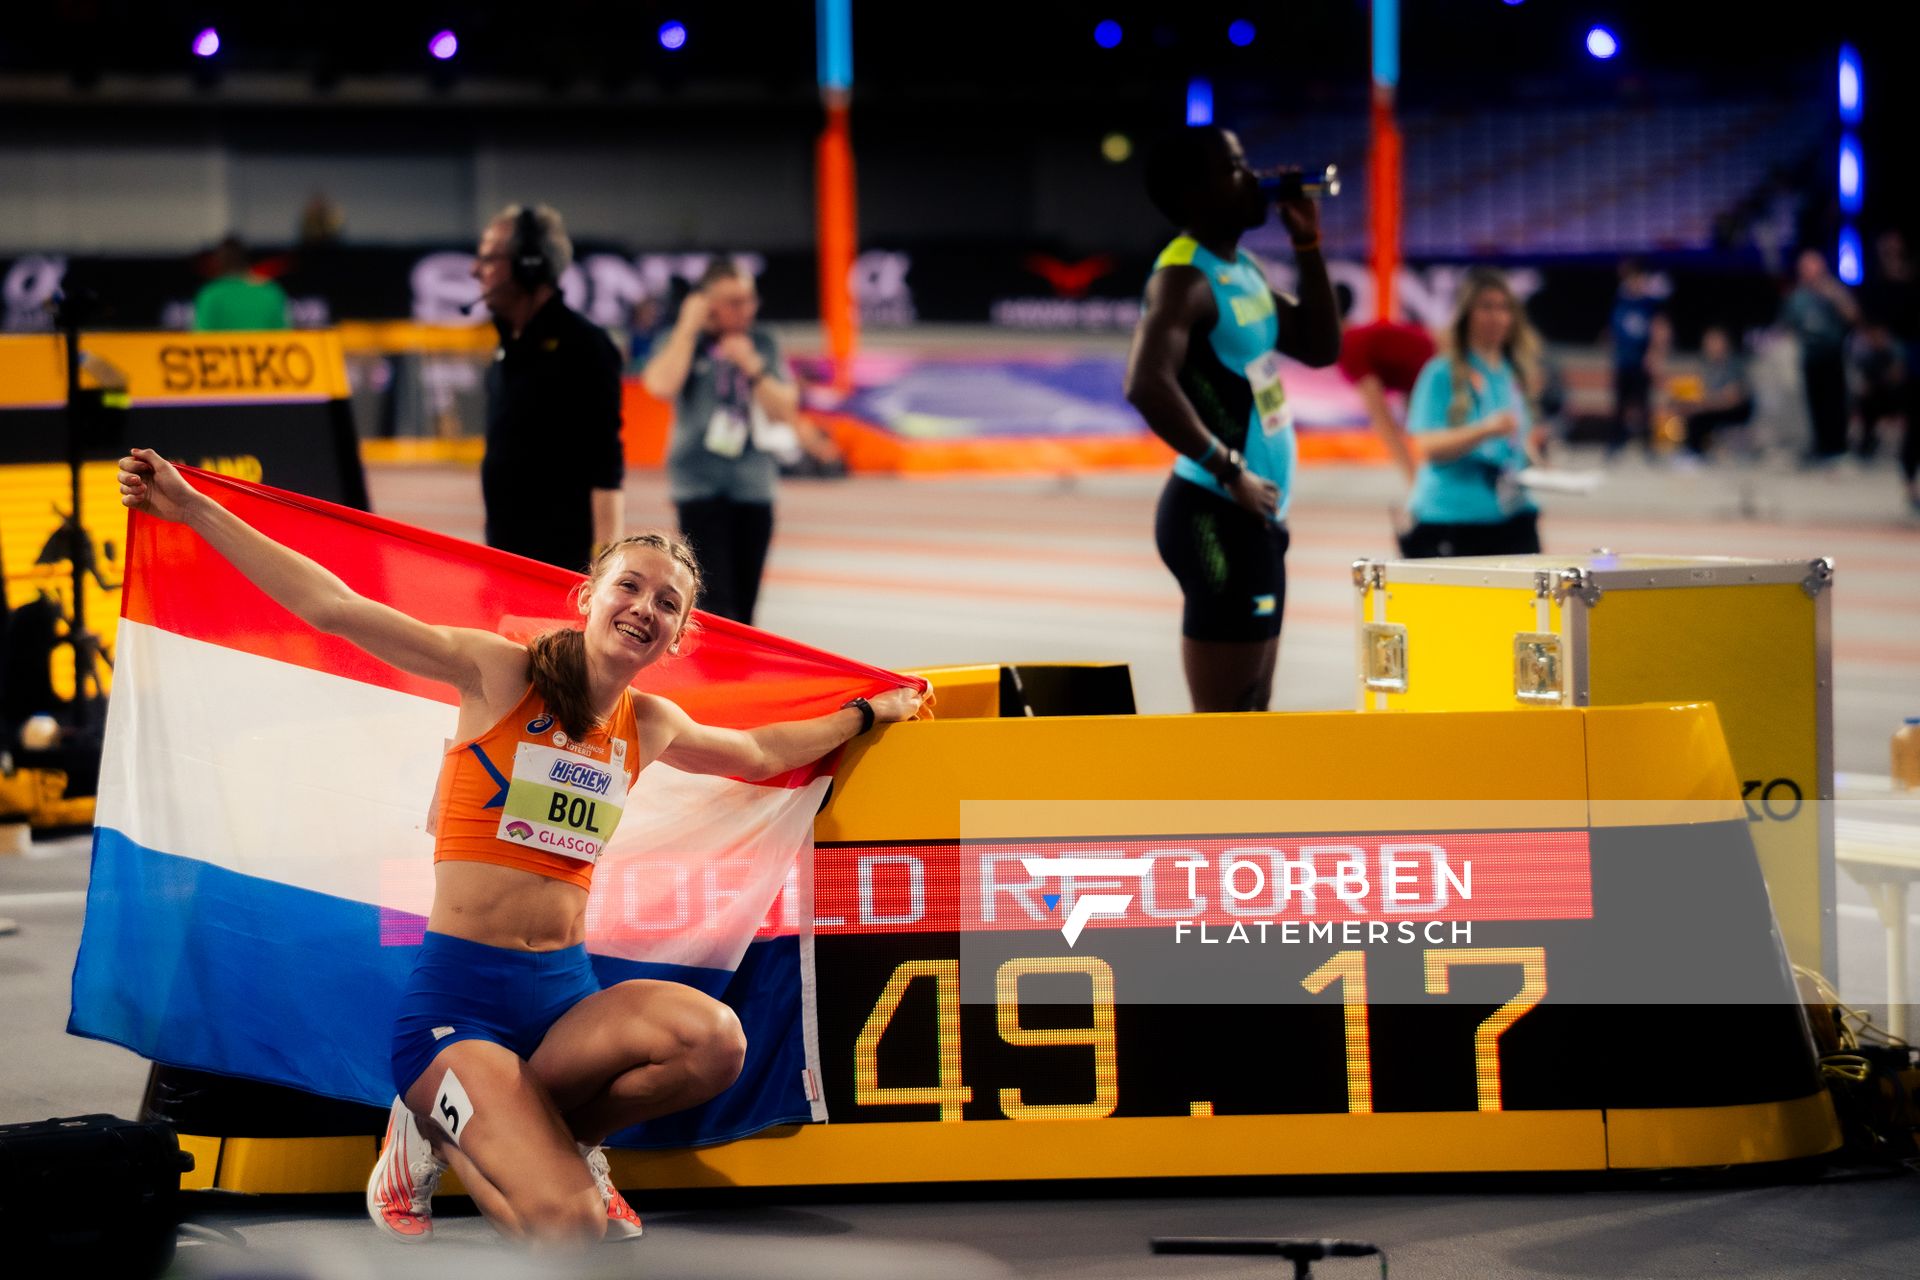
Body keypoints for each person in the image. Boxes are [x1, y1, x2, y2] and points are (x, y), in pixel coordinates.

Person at [116, 446, 925, 1246]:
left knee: (716, 1043)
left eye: (668, 603)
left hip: (563, 1004)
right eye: (631, 586)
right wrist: (188, 509)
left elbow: (759, 754)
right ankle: (449, 1124)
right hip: (457, 1010)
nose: (646, 607)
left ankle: (525, 1138)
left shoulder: (649, 724)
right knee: (569, 1225)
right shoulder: (498, 673)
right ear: (588, 596)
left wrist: (867, 712)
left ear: (680, 636)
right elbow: (333, 607)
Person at [1123, 126, 1340, 714]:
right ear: (1195, 193)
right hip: (1214, 517)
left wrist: (1307, 246)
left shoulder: (1242, 269)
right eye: (1236, 167)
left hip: (1257, 516)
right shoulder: (1183, 278)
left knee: (1253, 710)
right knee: (1225, 722)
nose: (1254, 178)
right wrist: (1229, 470)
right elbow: (1144, 383)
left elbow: (1321, 347)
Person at [641, 259, 803, 626]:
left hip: (754, 486)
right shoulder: (683, 340)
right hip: (698, 485)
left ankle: (740, 679)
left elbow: (784, 409)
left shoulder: (763, 341)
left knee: (745, 608)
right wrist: (687, 326)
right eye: (733, 301)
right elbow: (661, 385)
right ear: (707, 302)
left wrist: (752, 366)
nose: (745, 309)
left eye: (749, 299)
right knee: (715, 606)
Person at [472, 204, 625, 573]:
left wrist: (606, 568)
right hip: (504, 554)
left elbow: (606, 465)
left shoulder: (585, 347)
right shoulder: (507, 342)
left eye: (490, 259)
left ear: (529, 267)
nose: (476, 271)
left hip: (561, 567)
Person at [1399, 268, 1547, 558]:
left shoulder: (1512, 373)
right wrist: (1485, 430)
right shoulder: (1441, 372)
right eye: (1486, 307)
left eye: (1504, 308)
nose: (1496, 317)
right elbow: (1427, 446)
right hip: (1451, 518)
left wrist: (1531, 455)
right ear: (1467, 315)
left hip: (1512, 516)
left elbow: (1516, 439)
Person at [1780, 247, 1859, 463]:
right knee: (1816, 404)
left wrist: (1834, 295)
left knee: (1836, 402)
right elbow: (1788, 325)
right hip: (1810, 356)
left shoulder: (1834, 291)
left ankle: (1839, 447)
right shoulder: (1797, 297)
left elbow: (1853, 317)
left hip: (1833, 355)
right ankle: (1822, 447)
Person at [1336, 318, 1438, 482]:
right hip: (1437, 358)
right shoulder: (1359, 337)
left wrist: (1413, 481)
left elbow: (1382, 420)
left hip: (1444, 362)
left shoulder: (1349, 346)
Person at [1605, 259, 1668, 456]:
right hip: (1623, 361)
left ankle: (1648, 446)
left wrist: (1654, 354)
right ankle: (1616, 442)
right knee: (1620, 404)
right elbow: (1614, 329)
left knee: (1644, 404)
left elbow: (1659, 329)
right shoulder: (1620, 300)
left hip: (1641, 361)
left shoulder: (1648, 303)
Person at [1678, 325, 1754, 460]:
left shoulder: (1732, 364)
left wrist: (1703, 406)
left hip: (1737, 411)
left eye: (1715, 341)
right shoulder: (1706, 366)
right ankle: (1693, 452)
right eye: (1708, 342)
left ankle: (1695, 453)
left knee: (1700, 417)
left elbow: (1733, 398)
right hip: (1714, 408)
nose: (1711, 346)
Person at [192, 236, 289, 332]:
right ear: (246, 260)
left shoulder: (210, 295)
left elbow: (199, 340)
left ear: (218, 263)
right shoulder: (271, 292)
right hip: (265, 347)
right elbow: (285, 337)